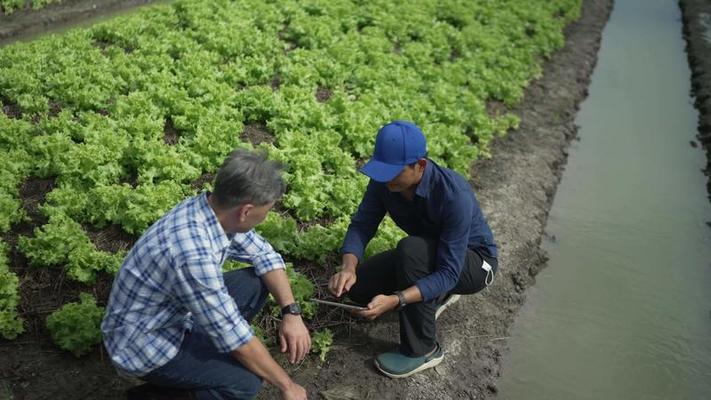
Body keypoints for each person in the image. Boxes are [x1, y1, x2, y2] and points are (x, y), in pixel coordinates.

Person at [102, 149, 310, 400]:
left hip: (174, 315)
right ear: (245, 211)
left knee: (254, 281)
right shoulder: (192, 253)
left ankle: (203, 368)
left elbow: (264, 256)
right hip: (145, 344)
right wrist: (288, 386)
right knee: (245, 383)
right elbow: (233, 336)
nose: (265, 217)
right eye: (266, 210)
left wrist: (291, 312)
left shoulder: (212, 210)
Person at [328, 120, 498, 378]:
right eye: (382, 171)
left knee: (412, 250)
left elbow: (450, 272)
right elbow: (362, 225)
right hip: (427, 254)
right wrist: (348, 267)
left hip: (473, 262)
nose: (385, 180)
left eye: (393, 173)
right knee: (359, 289)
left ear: (420, 165)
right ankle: (431, 296)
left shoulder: (453, 195)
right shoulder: (384, 182)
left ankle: (423, 350)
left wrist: (397, 299)